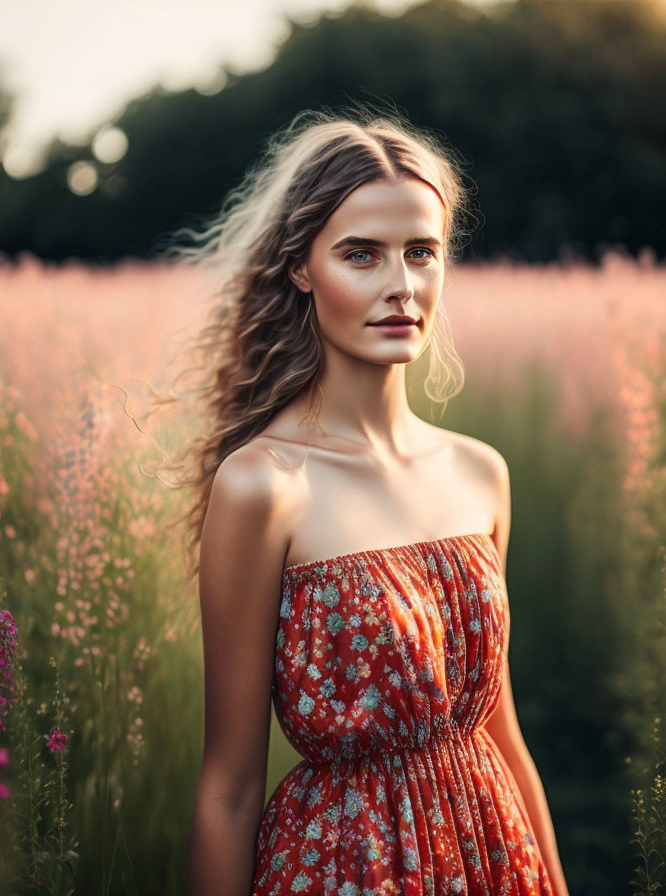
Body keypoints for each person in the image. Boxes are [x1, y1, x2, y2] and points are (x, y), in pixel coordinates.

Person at [175, 105, 569, 895]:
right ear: (300, 268)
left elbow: (498, 729)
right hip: (348, 867)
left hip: (495, 856)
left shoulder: (479, 472)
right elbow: (228, 788)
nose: (400, 286)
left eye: (421, 253)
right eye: (362, 255)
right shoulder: (263, 485)